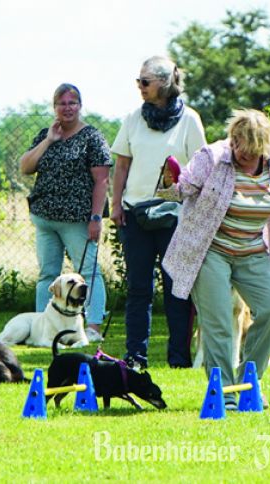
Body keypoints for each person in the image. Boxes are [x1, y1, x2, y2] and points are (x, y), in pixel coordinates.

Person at [162, 109, 270, 408]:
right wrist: (172, 183)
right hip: (210, 249)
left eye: (251, 148)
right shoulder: (212, 156)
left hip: (253, 250)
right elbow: (183, 187)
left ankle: (249, 381)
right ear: (233, 137)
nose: (242, 152)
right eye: (238, 143)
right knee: (217, 323)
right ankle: (224, 392)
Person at [110, 55, 206, 369]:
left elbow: (200, 167)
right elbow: (121, 164)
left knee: (177, 288)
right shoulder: (133, 118)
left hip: (175, 215)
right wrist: (115, 206)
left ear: (164, 83)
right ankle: (135, 356)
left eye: (145, 81)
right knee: (139, 288)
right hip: (135, 214)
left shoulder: (190, 119)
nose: (140, 87)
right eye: (138, 81)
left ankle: (178, 358)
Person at [19, 83, 112, 342]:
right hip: (45, 217)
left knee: (88, 273)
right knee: (47, 275)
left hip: (78, 220)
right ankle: (42, 325)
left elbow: (102, 181)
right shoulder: (45, 135)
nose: (67, 108)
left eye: (72, 103)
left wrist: (96, 218)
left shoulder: (92, 137)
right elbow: (26, 167)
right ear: (55, 107)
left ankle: (92, 327)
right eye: (62, 103)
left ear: (80, 106)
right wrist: (49, 140)